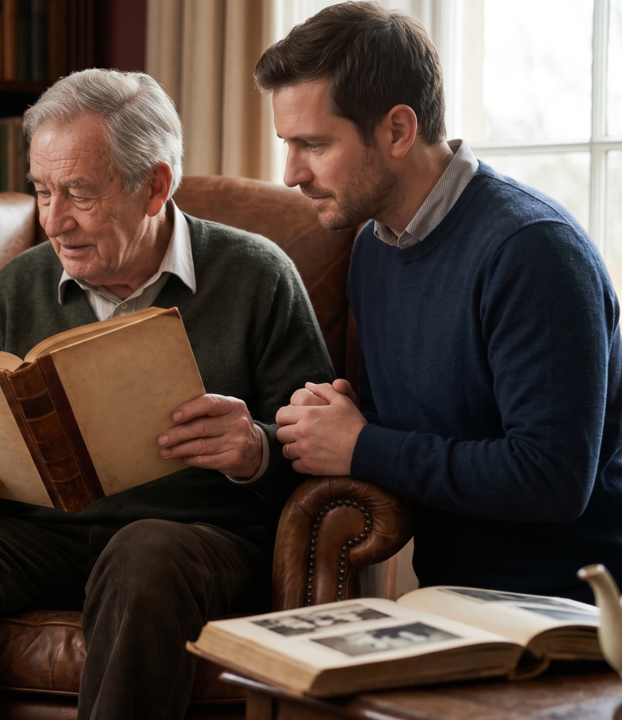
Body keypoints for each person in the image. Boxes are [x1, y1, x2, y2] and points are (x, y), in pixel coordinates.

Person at [0, 69, 336, 720]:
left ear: (155, 186)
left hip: (193, 541)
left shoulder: (257, 275)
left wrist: (254, 449)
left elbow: (322, 452)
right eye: (42, 192)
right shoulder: (18, 285)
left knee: (145, 552)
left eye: (79, 194)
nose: (55, 221)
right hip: (44, 539)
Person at [259, 3, 622, 603]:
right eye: (287, 144)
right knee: (279, 674)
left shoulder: (532, 250)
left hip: (565, 607)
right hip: (449, 599)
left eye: (313, 144)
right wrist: (329, 422)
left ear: (398, 130)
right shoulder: (374, 249)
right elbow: (399, 433)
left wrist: (362, 443)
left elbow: (552, 480)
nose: (292, 172)